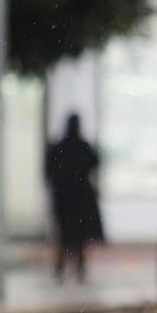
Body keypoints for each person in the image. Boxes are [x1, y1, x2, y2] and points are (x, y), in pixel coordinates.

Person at [43, 113, 104, 283]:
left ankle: (61, 268)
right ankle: (78, 269)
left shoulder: (58, 147)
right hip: (79, 199)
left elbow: (48, 172)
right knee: (79, 237)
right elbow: (95, 163)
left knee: (63, 236)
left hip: (64, 199)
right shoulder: (83, 147)